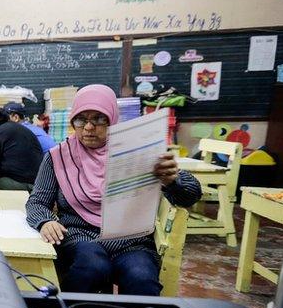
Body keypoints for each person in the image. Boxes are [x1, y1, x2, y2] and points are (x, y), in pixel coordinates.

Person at [25, 85, 201, 296]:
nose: (89, 127)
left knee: (141, 277)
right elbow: (37, 201)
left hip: (131, 239)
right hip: (80, 236)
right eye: (81, 120)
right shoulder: (58, 156)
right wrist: (45, 221)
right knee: (92, 266)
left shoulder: (137, 152)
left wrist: (173, 181)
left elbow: (191, 195)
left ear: (112, 119)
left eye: (99, 119)